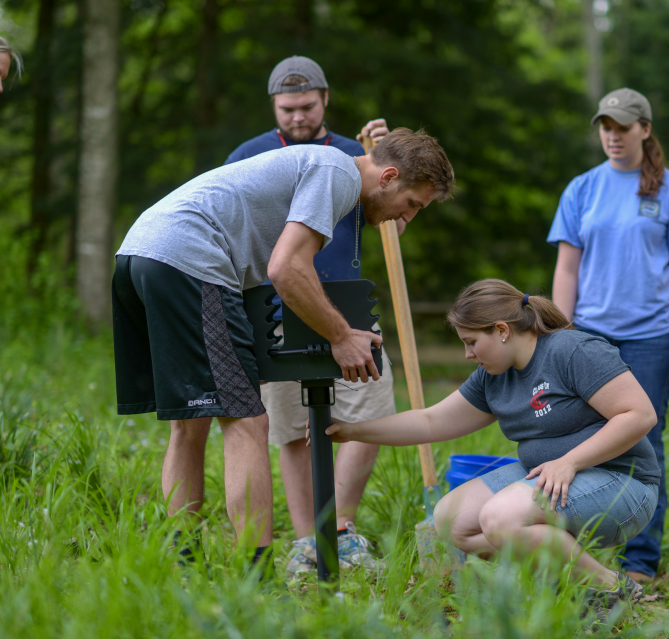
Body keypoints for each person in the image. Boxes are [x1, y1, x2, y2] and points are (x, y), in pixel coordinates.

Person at [112, 128, 454, 571]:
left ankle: (183, 565)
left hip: (140, 254)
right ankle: (257, 575)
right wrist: (340, 336)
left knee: (189, 424)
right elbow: (287, 268)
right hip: (189, 258)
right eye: (412, 205)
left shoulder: (315, 166)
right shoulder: (337, 174)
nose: (404, 217)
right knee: (248, 422)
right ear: (388, 176)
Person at [317, 279, 660, 620]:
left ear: (501, 330)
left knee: (501, 518)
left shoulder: (572, 351)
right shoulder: (493, 376)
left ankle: (610, 587)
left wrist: (569, 462)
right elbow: (431, 421)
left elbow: (639, 414)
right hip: (554, 475)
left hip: (623, 483)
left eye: (471, 342)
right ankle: (559, 573)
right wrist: (352, 431)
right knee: (452, 520)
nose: (468, 355)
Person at [224, 55, 398, 576]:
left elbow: (391, 228)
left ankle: (338, 528)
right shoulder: (248, 156)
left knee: (371, 413)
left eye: (306, 106)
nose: (297, 117)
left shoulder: (355, 153)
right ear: (273, 107)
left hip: (348, 305)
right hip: (273, 306)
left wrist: (384, 156)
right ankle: (307, 540)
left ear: (326, 99)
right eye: (287, 108)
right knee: (293, 429)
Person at [548, 88, 669, 582]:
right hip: (590, 335)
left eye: (622, 127)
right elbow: (567, 270)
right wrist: (561, 335)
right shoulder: (582, 188)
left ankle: (640, 559)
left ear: (645, 129)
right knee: (580, 436)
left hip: (653, 339)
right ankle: (579, 550)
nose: (612, 136)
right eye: (605, 127)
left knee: (644, 439)